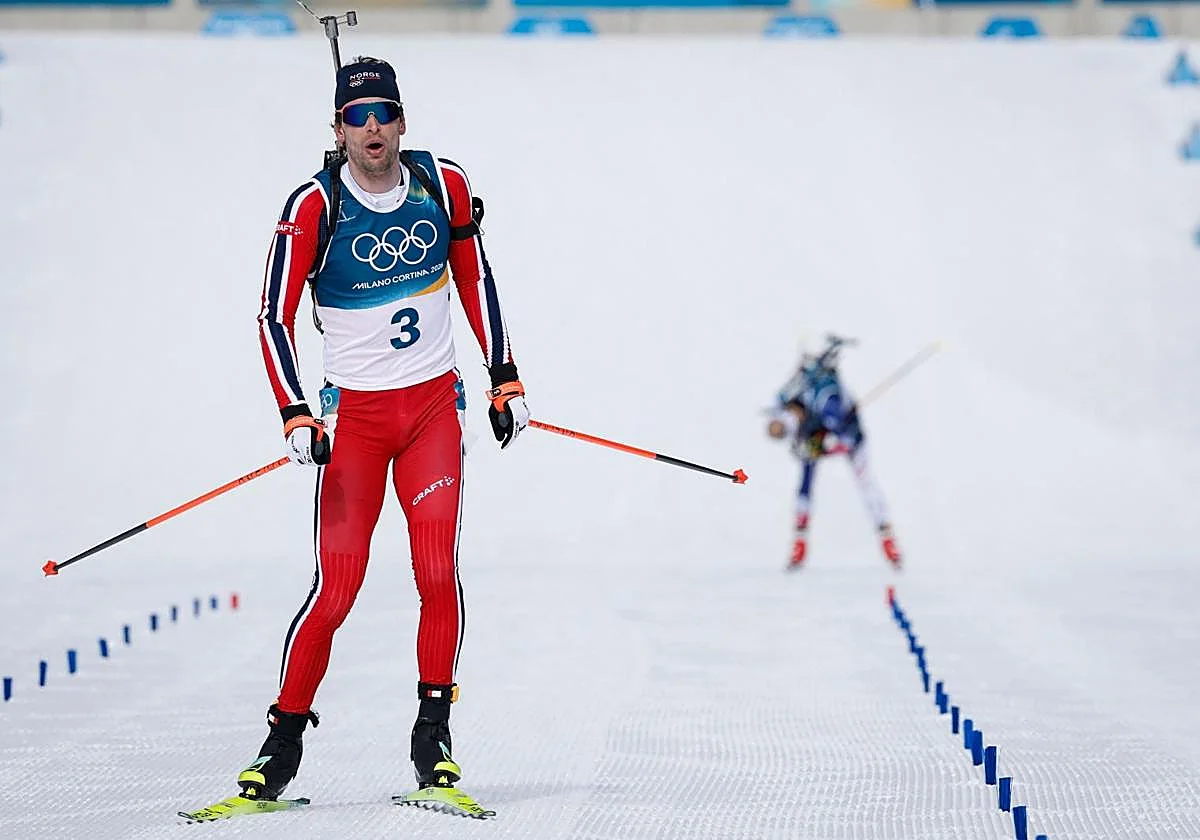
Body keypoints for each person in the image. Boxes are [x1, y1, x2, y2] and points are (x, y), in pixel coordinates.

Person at [237, 56, 526, 814]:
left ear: (402, 120)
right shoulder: (313, 205)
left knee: (436, 570)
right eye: (357, 116)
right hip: (358, 425)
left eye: (384, 113)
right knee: (337, 588)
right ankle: (281, 747)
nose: (372, 127)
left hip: (432, 412)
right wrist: (296, 411)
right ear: (338, 128)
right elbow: (270, 316)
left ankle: (434, 743)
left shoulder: (443, 184)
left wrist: (505, 376)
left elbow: (476, 279)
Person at [767, 336, 901, 571]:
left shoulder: (827, 401)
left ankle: (888, 542)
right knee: (805, 485)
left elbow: (845, 440)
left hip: (848, 434)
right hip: (815, 436)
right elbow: (775, 426)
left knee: (866, 483)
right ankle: (799, 545)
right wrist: (801, 441)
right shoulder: (787, 396)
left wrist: (824, 445)